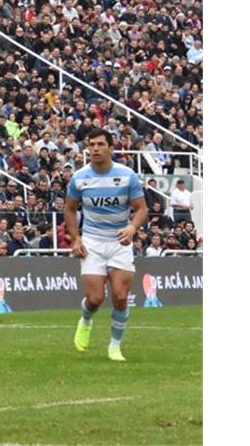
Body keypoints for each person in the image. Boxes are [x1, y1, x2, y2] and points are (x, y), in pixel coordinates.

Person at [66, 128, 148, 362]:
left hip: (119, 241)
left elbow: (141, 208)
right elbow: (69, 209)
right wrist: (76, 239)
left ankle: (114, 346)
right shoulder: (80, 177)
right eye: (91, 145)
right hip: (92, 241)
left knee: (120, 296)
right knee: (94, 299)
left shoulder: (127, 175)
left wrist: (132, 228)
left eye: (101, 144)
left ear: (111, 148)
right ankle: (86, 320)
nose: (95, 149)